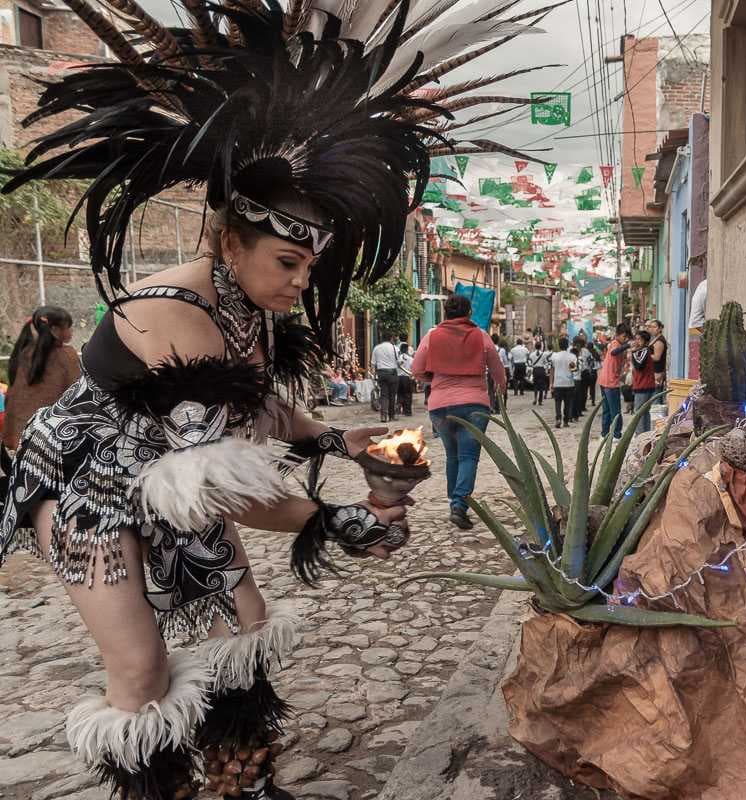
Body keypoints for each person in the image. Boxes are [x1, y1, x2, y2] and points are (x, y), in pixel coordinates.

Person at [0, 2, 548, 798]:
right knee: (140, 661)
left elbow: (258, 414)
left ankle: (242, 782)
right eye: (287, 262)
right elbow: (223, 486)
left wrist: (340, 442)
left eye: (309, 268)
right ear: (229, 242)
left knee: (242, 630)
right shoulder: (174, 312)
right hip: (90, 494)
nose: (300, 282)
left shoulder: (249, 305)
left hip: (173, 480)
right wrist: (331, 519)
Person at [412, 295, 506, 531]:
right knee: (468, 457)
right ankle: (459, 504)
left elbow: (416, 369)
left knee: (452, 455)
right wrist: (501, 390)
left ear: (446, 312)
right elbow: (497, 370)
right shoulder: (481, 336)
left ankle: (454, 502)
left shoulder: (431, 335)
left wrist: (432, 380)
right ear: (469, 313)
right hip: (474, 404)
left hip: (440, 405)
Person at [2, 306, 80, 451]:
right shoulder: (67, 356)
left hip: (19, 436)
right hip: (50, 439)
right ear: (55, 330)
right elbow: (77, 393)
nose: (72, 331)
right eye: (69, 327)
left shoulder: (24, 352)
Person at [597, 323, 632, 439]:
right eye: (625, 337)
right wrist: (627, 345)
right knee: (615, 411)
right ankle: (616, 435)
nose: (626, 339)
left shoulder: (615, 343)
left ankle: (605, 433)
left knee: (607, 410)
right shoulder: (615, 344)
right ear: (621, 335)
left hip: (605, 381)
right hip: (610, 383)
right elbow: (614, 352)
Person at [630, 331, 657, 435]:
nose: (636, 342)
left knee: (640, 414)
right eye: (635, 339)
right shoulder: (641, 351)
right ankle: (645, 435)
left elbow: (639, 365)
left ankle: (641, 436)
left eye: (639, 339)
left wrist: (633, 352)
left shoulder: (645, 351)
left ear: (645, 342)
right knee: (644, 413)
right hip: (641, 386)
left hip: (644, 387)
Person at [372, 331, 402, 422]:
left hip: (381, 373)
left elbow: (373, 363)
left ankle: (383, 416)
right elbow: (399, 362)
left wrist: (374, 375)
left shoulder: (376, 348)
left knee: (384, 395)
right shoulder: (395, 348)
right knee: (392, 395)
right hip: (392, 373)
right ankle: (391, 415)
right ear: (391, 338)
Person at [548, 336, 577, 429]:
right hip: (569, 383)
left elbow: (551, 370)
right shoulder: (572, 356)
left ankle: (558, 418)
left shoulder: (554, 356)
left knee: (557, 402)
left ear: (559, 345)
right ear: (567, 345)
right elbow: (574, 369)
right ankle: (566, 421)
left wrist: (551, 383)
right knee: (568, 403)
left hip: (558, 382)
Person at [646, 319, 669, 391]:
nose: (652, 329)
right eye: (651, 327)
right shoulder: (654, 338)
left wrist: (644, 355)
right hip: (653, 371)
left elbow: (657, 357)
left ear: (660, 328)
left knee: (656, 396)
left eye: (654, 327)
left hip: (657, 372)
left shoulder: (659, 341)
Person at [529, 342, 550, 406]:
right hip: (541, 370)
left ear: (535, 347)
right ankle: (540, 401)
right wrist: (546, 370)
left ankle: (535, 398)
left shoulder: (531, 354)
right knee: (541, 386)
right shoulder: (544, 354)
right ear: (541, 347)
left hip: (535, 370)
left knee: (535, 385)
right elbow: (546, 363)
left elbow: (530, 363)